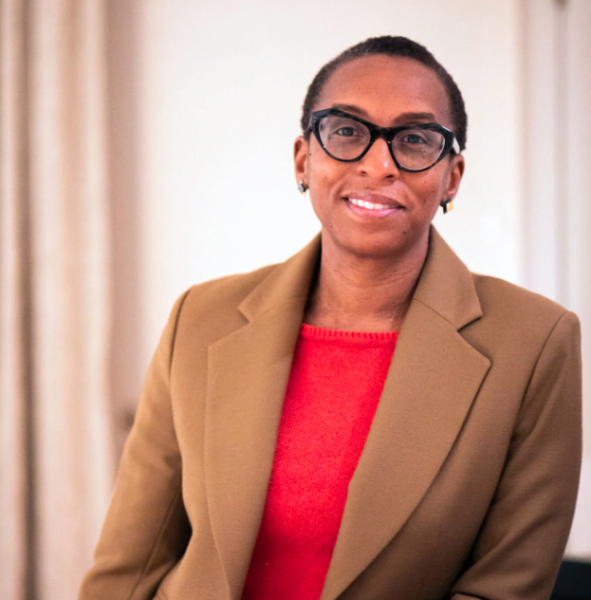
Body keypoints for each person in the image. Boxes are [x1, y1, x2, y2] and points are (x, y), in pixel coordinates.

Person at [78, 36, 582, 600]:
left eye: (415, 140)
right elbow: (128, 569)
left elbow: (505, 589)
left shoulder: (535, 343)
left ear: (452, 177)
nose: (379, 164)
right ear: (304, 159)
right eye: (346, 131)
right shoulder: (201, 318)